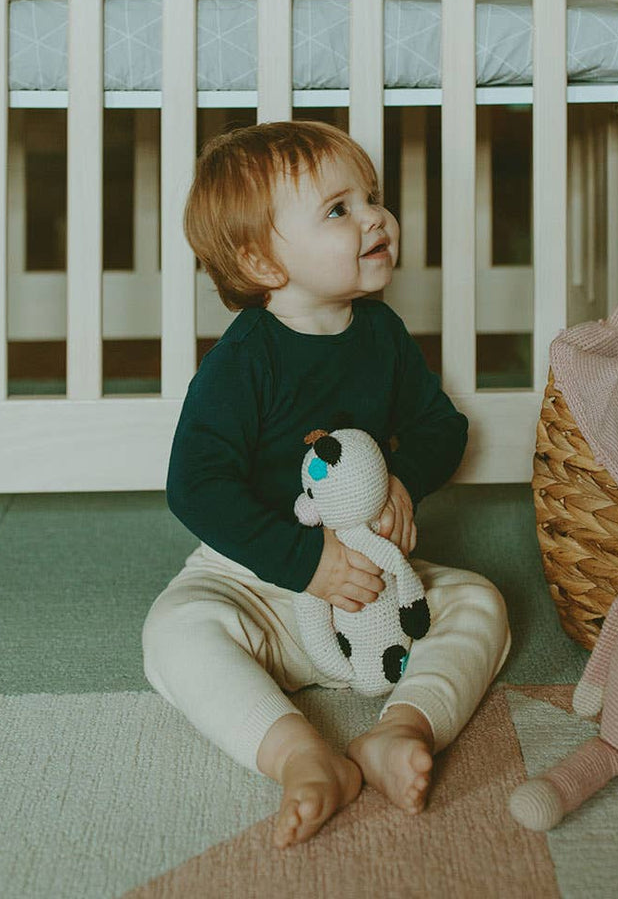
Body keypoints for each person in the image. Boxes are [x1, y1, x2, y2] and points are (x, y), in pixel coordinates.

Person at [143, 120, 510, 848]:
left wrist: (404, 480)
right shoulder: (245, 361)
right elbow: (196, 487)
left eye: (370, 197)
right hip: (258, 584)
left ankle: (403, 727)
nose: (374, 216)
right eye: (339, 209)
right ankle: (300, 755)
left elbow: (442, 427)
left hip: (376, 593)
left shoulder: (381, 334)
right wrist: (304, 564)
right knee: (174, 633)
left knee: (481, 601)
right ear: (262, 259)